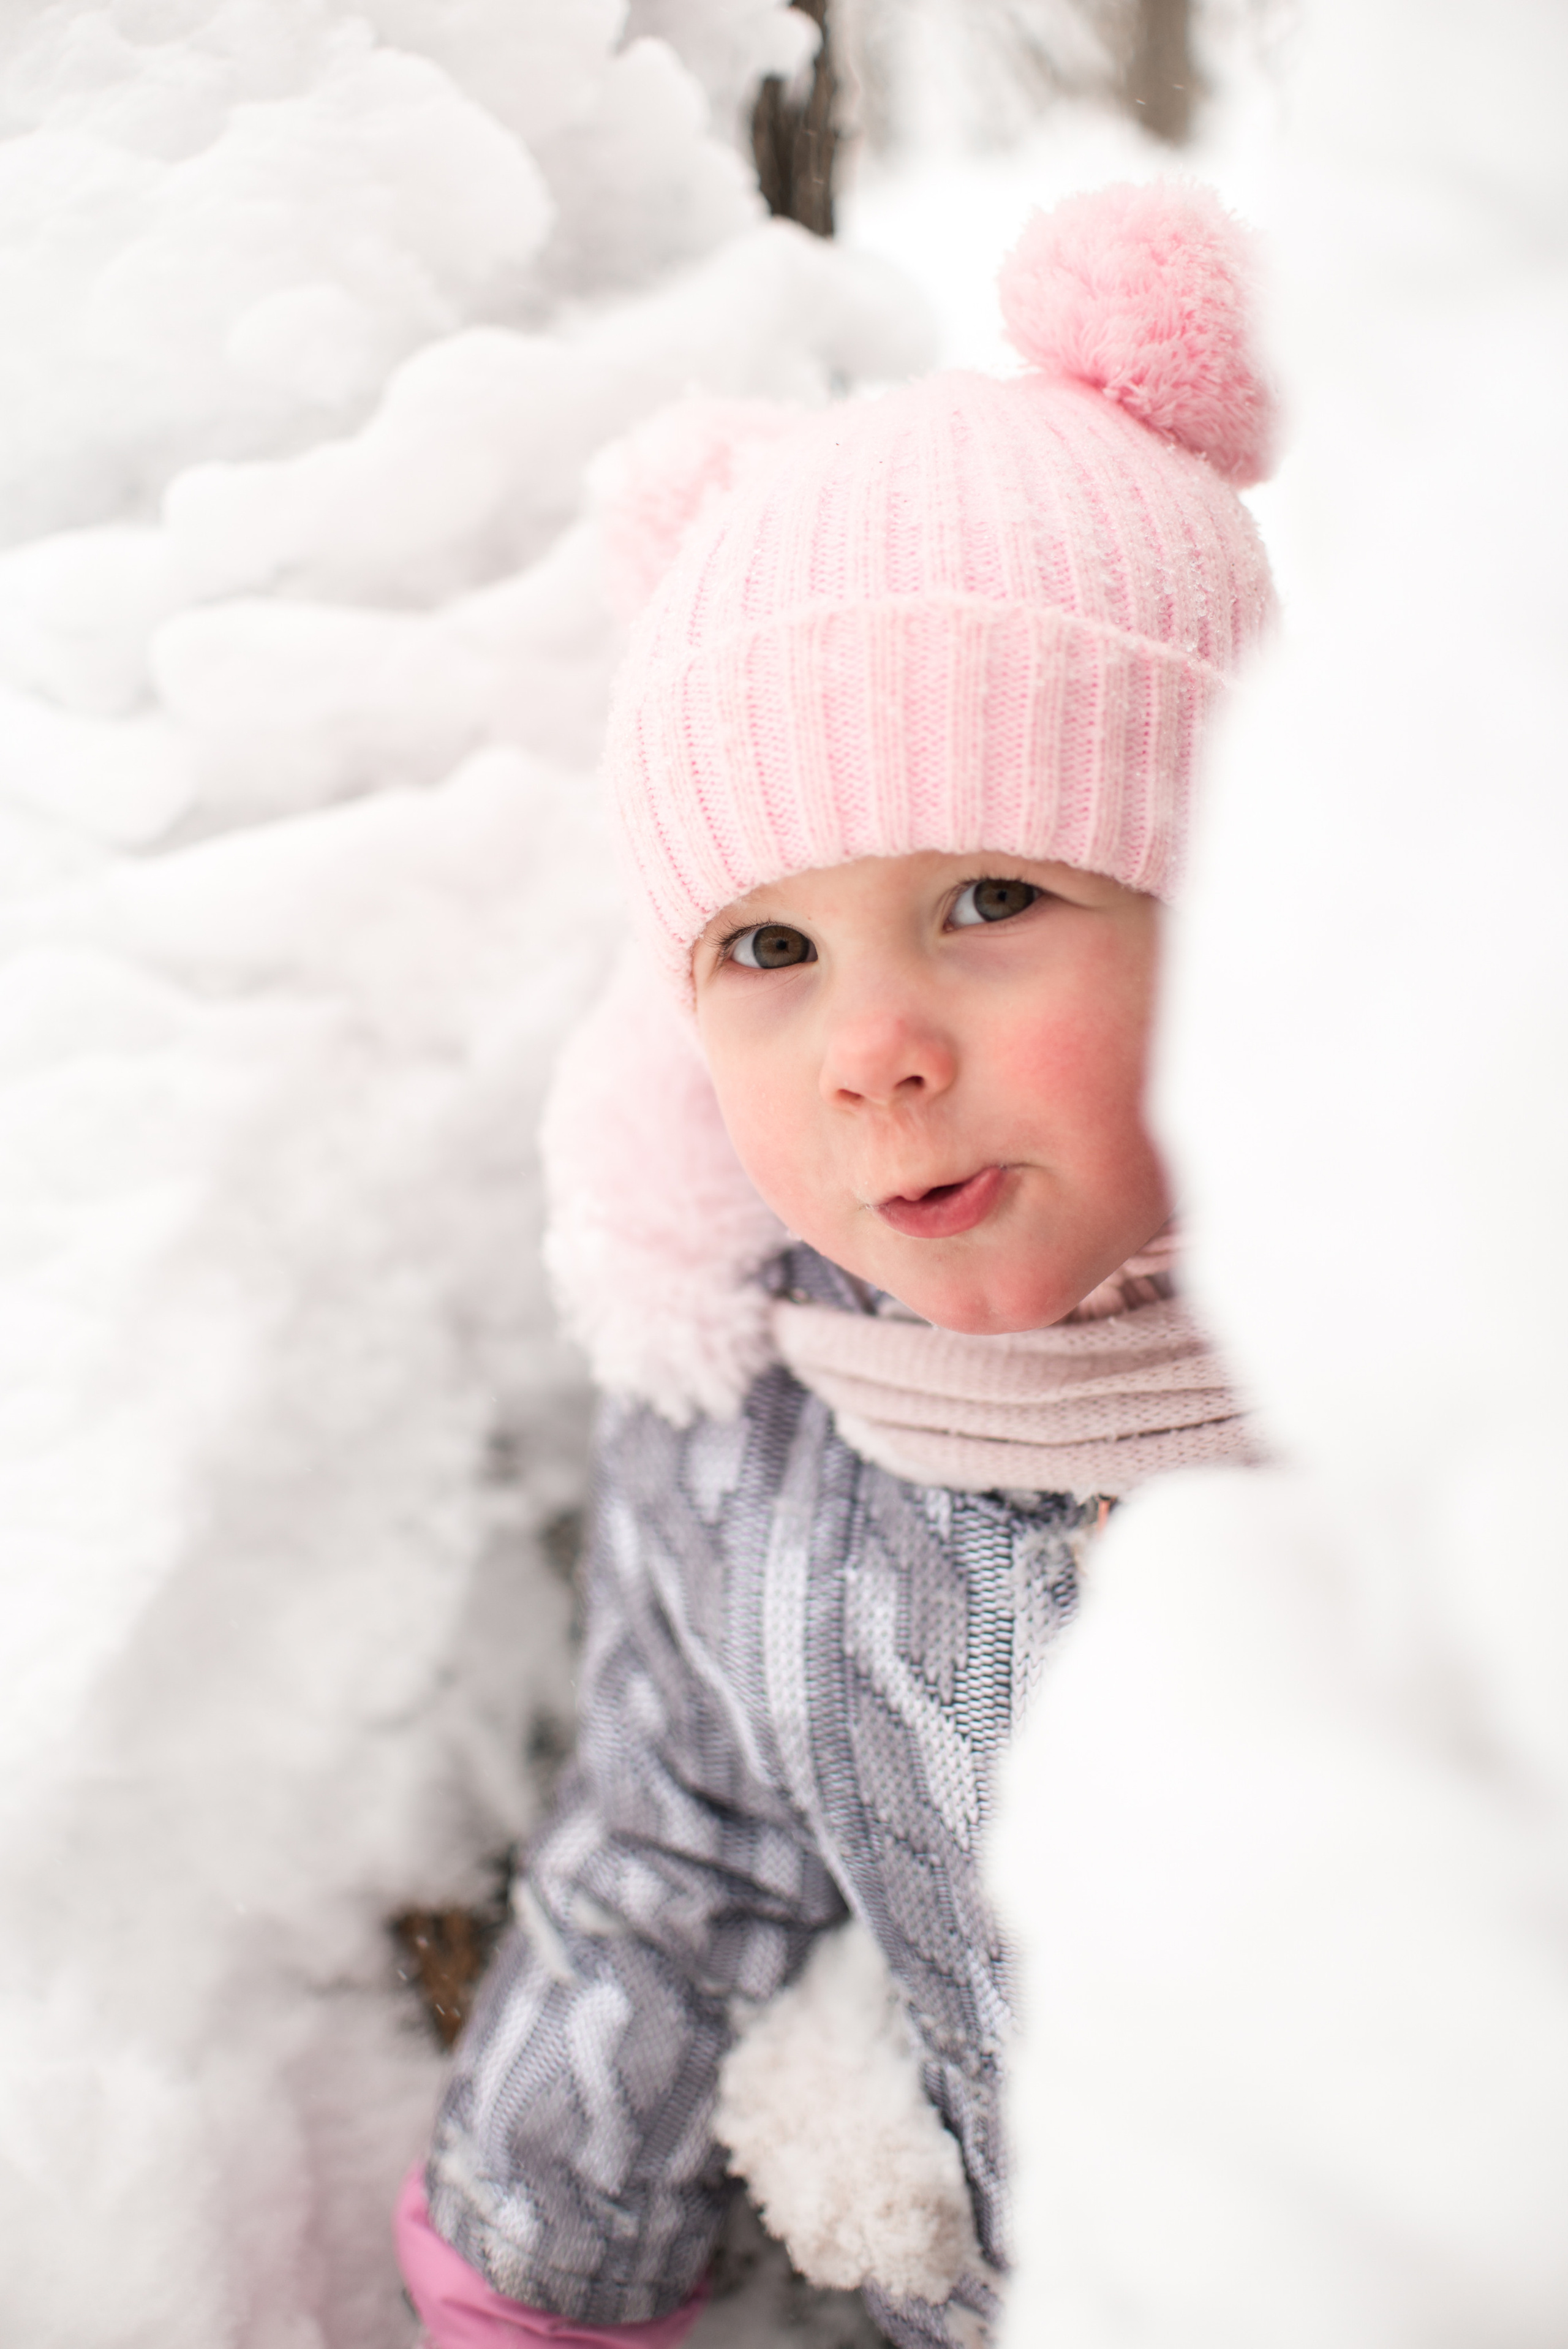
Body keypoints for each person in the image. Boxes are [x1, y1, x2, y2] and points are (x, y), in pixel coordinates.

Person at [396, 180, 1276, 2349]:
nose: (875, 1050)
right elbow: (676, 1855)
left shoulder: (1430, 1376)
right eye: (771, 947)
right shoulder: (756, 1439)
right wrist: (531, 2264)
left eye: (991, 898)